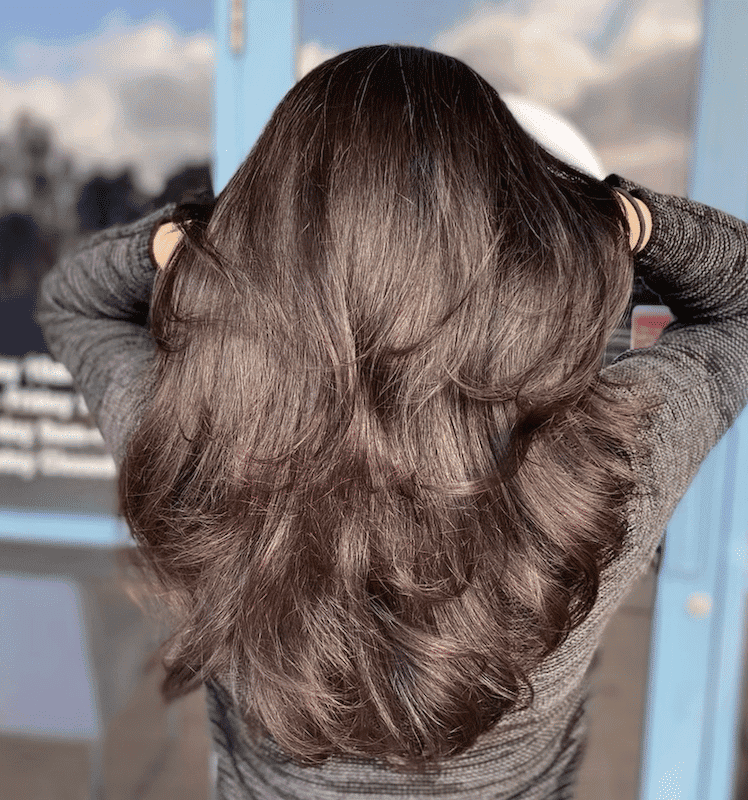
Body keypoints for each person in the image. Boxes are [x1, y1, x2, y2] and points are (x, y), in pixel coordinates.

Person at [36, 44, 748, 800]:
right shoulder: (599, 463)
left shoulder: (197, 450)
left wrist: (181, 239)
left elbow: (72, 300)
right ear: (507, 237)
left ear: (274, 238)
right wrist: (612, 217)